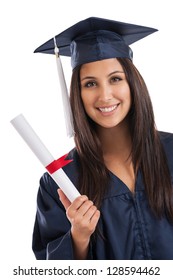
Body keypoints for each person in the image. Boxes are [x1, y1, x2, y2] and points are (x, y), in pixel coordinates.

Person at [32, 17, 173, 260]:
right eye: (90, 84)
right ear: (77, 94)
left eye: (115, 79)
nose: (105, 95)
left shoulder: (171, 153)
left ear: (133, 83)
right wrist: (79, 237)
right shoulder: (60, 180)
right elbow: (51, 271)